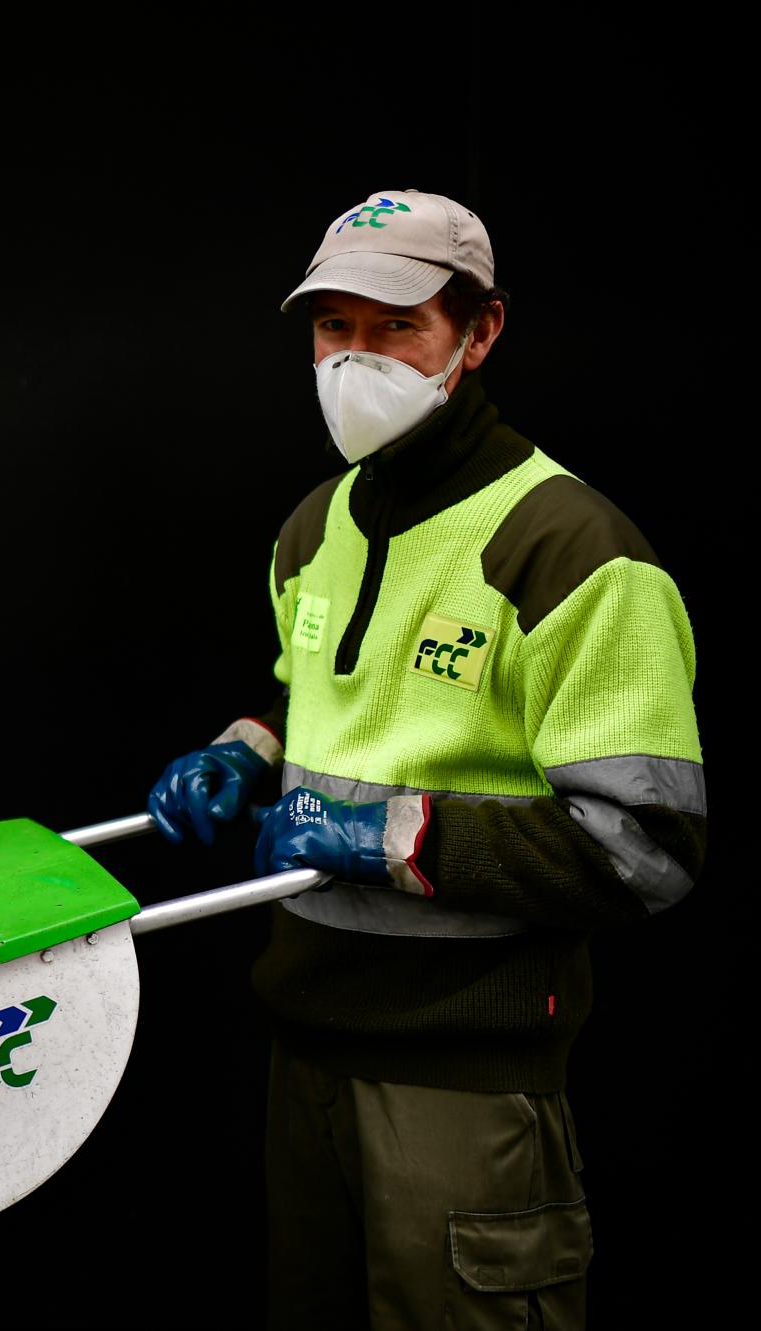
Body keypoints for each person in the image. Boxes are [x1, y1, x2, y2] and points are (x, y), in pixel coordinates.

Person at [144, 189, 706, 1329]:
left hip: (461, 1073)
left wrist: (390, 837)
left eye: (395, 325)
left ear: (478, 331)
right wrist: (246, 754)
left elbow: (645, 846)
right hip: (302, 1046)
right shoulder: (316, 523)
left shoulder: (571, 548)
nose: (355, 361)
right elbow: (326, 702)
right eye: (330, 328)